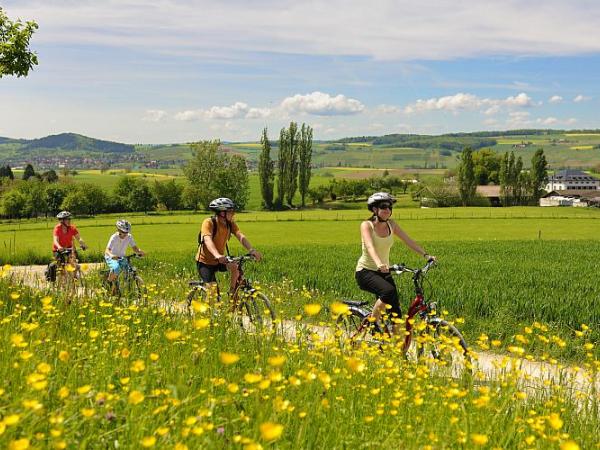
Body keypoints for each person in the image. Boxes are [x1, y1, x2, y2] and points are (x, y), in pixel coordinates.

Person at [355, 192, 435, 333]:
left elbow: (408, 241)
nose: (388, 210)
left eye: (390, 207)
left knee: (396, 313)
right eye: (384, 206)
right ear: (374, 209)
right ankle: (373, 325)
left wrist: (426, 255)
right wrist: (380, 263)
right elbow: (369, 246)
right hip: (366, 271)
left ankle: (397, 348)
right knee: (388, 291)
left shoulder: (391, 225)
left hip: (384, 271)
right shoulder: (366, 225)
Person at [195, 197, 262, 295]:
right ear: (222, 213)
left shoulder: (230, 224)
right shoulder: (209, 222)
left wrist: (252, 250)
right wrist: (217, 255)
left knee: (235, 266)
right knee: (212, 291)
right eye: (231, 211)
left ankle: (232, 294)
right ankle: (208, 309)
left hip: (220, 260)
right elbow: (207, 240)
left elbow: (240, 236)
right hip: (205, 262)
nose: (234, 213)